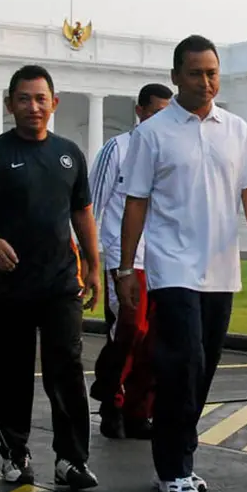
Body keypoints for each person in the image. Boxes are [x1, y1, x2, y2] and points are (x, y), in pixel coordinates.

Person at [118, 34, 247, 492]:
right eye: (195, 73)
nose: (206, 82)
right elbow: (136, 202)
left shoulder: (237, 130)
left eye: (212, 73)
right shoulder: (153, 133)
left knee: (203, 368)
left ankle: (181, 456)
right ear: (175, 77)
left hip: (221, 268)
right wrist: (127, 267)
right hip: (172, 268)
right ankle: (173, 469)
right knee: (181, 363)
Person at [0, 64, 102, 491]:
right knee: (10, 372)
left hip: (60, 282)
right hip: (9, 285)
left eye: (41, 99)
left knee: (67, 368)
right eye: (24, 99)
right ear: (9, 104)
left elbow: (82, 212)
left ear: (54, 103)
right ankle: (16, 453)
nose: (33, 107)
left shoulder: (69, 154)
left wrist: (94, 266)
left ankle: (71, 460)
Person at [89, 82, 173, 439]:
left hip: (163, 257)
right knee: (130, 329)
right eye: (154, 112)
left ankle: (140, 412)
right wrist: (89, 258)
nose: (160, 120)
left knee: (155, 340)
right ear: (139, 112)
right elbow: (92, 204)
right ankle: (111, 399)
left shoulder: (171, 151)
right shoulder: (118, 148)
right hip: (124, 256)